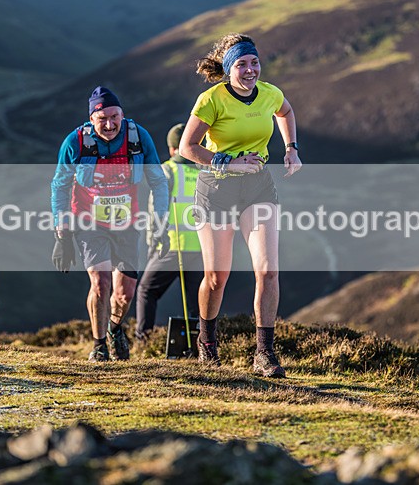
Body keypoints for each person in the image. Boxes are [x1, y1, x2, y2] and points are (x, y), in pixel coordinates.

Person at [179, 33, 301, 378]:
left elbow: (286, 110)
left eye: (254, 62)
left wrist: (291, 148)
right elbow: (188, 147)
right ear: (229, 68)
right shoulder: (211, 100)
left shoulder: (270, 94)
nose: (250, 70)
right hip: (216, 189)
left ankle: (264, 354)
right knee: (217, 277)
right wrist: (227, 162)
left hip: (258, 186)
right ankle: (207, 343)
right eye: (242, 64)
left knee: (268, 270)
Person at [50, 86, 170, 362]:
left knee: (125, 293)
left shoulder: (138, 138)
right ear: (91, 119)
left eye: (114, 116)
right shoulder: (75, 142)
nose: (109, 124)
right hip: (89, 222)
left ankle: (115, 328)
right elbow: (60, 186)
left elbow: (158, 181)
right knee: (101, 282)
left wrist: (159, 221)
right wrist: (62, 233)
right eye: (102, 118)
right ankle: (99, 344)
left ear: (122, 115)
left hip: (127, 224)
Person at [135, 123, 203, 341]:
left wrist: (152, 242)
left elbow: (157, 210)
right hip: (201, 247)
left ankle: (142, 340)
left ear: (173, 148)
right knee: (198, 301)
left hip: (172, 246)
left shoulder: (166, 170)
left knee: (147, 290)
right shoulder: (206, 173)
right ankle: (200, 346)